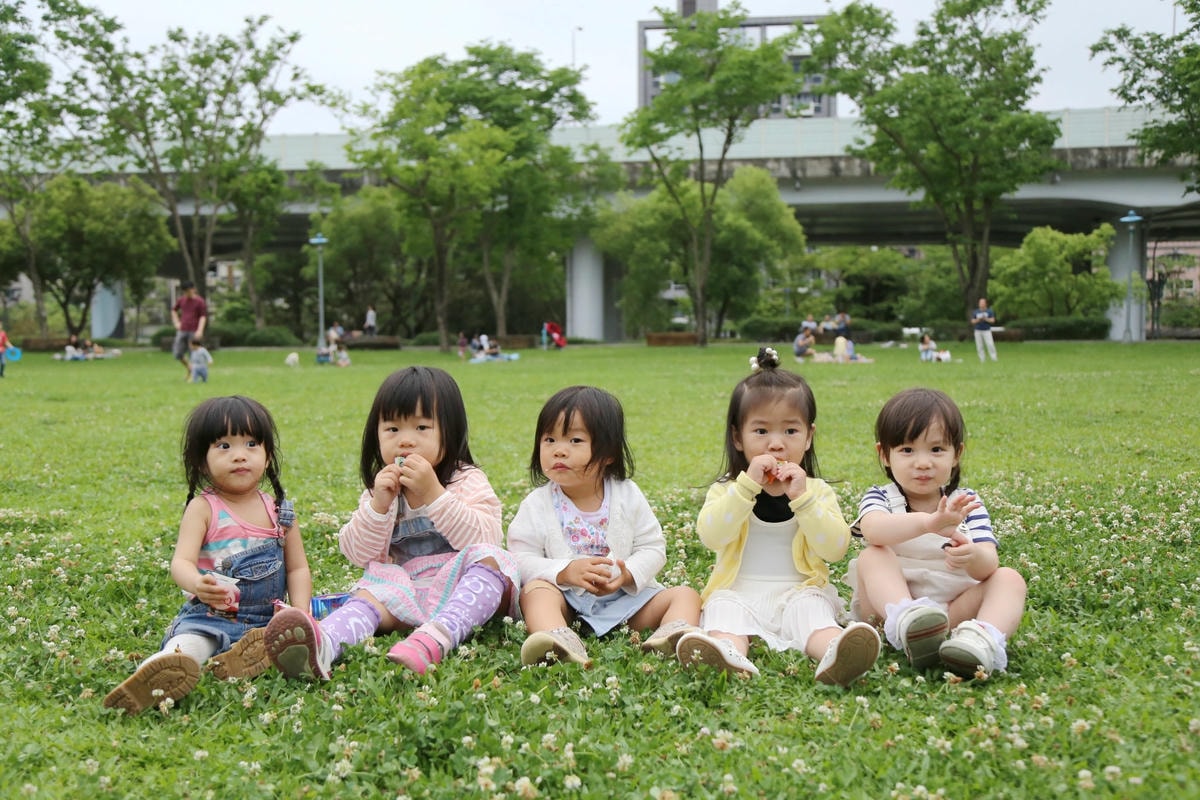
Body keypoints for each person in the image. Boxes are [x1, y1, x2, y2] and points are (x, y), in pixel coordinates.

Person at [264, 366, 520, 679]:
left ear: (449, 432)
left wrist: (434, 494)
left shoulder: (465, 480)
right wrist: (378, 506)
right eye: (392, 430)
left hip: (458, 590)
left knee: (494, 564)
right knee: (369, 593)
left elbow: (486, 538)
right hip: (404, 593)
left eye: (422, 427)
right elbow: (358, 554)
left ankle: (435, 638)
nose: (406, 441)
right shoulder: (381, 490)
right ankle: (323, 644)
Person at [676, 347, 880, 686]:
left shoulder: (816, 491)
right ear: (737, 438)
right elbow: (711, 536)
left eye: (790, 431)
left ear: (809, 436)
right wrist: (745, 488)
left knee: (812, 611)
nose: (776, 444)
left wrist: (803, 500)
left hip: (799, 590)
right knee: (723, 609)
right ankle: (727, 652)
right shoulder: (727, 490)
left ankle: (835, 651)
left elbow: (836, 549)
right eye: (760, 432)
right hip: (738, 590)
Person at [103, 396, 313, 714]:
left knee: (288, 643)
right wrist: (197, 583)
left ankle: (239, 660)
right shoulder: (203, 508)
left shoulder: (280, 511)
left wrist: (300, 613)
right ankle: (159, 672)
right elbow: (181, 562)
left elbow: (297, 569)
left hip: (266, 620)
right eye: (224, 446)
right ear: (202, 461)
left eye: (252, 444)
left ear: (268, 456)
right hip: (211, 616)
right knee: (192, 644)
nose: (240, 455)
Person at [508, 386, 703, 667]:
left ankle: (670, 637)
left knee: (686, 595)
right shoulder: (537, 504)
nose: (559, 451)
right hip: (566, 604)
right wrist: (563, 572)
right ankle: (556, 638)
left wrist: (625, 576)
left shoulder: (627, 494)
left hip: (625, 602)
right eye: (549, 439)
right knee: (536, 593)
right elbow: (519, 558)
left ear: (608, 453)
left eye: (575, 440)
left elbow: (652, 547)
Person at [846, 388, 1027, 677]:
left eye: (936, 450)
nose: (923, 463)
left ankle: (979, 640)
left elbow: (988, 565)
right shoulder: (881, 497)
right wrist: (928, 523)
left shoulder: (966, 502)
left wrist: (971, 555)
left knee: (1009, 578)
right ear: (884, 455)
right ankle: (908, 621)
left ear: (957, 454)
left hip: (953, 612)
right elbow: (872, 530)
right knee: (872, 555)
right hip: (888, 611)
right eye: (907, 450)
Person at [172, 280, 208, 380]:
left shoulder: (200, 301)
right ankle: (190, 368)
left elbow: (203, 316)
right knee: (177, 353)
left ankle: (194, 375)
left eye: (189, 291)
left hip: (194, 330)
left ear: (193, 289)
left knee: (194, 354)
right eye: (185, 291)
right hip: (182, 330)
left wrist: (200, 330)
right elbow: (174, 310)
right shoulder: (181, 300)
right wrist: (176, 322)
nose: (187, 293)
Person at [971, 298, 998, 362]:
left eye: (983, 303)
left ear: (985, 304)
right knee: (979, 346)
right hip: (978, 331)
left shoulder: (989, 311)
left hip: (986, 330)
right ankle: (982, 359)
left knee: (990, 344)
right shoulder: (976, 312)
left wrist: (986, 319)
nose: (981, 304)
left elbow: (993, 320)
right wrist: (978, 320)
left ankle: (994, 358)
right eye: (980, 303)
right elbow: (972, 321)